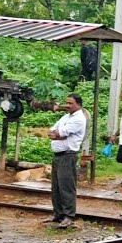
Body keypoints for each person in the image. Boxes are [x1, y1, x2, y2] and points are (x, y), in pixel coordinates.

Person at [46, 93, 87, 228]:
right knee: (56, 186)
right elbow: (52, 131)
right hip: (58, 155)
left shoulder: (79, 119)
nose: (67, 106)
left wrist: (58, 135)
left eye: (70, 103)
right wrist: (57, 135)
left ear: (78, 104)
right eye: (67, 103)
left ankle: (69, 215)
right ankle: (58, 213)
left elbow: (59, 133)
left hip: (68, 155)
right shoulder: (65, 117)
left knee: (66, 186)